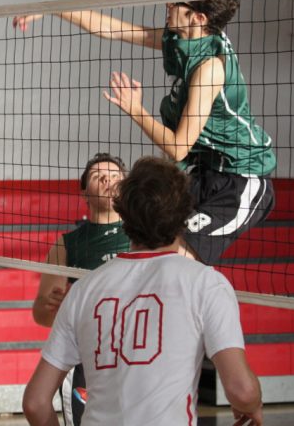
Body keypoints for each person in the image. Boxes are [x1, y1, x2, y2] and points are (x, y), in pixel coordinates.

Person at [14, 0, 276, 265]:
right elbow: (114, 29)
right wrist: (52, 8)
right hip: (205, 173)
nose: (169, 2)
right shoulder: (183, 39)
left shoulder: (209, 69)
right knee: (151, 238)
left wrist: (136, 109)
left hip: (241, 181)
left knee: (174, 258)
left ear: (198, 18)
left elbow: (178, 148)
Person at [23, 157, 263, 426]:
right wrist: (251, 406)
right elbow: (243, 391)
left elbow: (35, 403)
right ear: (186, 214)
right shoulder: (207, 283)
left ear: (123, 212)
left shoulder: (82, 290)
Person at [32, 153, 130, 425]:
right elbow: (41, 313)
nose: (108, 180)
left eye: (114, 176)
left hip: (133, 353)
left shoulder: (144, 234)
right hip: (86, 357)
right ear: (84, 193)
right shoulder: (67, 244)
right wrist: (55, 306)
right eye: (99, 177)